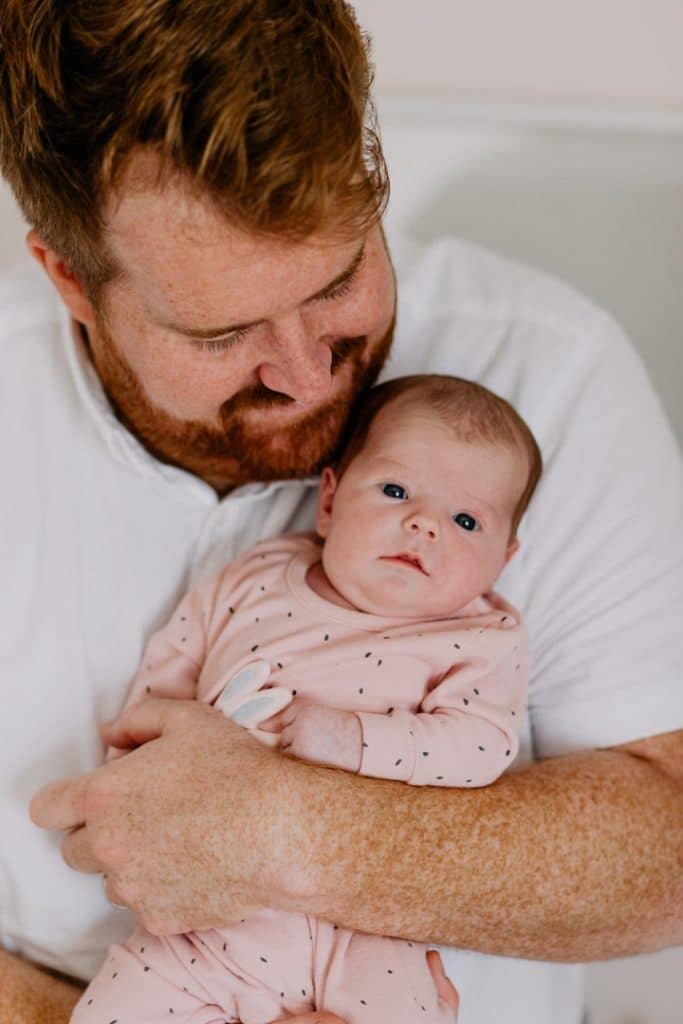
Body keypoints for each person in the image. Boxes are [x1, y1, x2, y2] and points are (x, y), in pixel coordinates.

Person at [0, 3, 681, 1024]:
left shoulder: (549, 374)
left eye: (340, 277)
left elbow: (665, 839)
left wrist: (287, 833)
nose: (309, 372)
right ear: (70, 280)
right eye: (222, 329)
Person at [71, 374, 540, 1024]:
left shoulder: (479, 637)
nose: (422, 524)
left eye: (465, 520)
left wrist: (355, 740)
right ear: (328, 500)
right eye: (396, 490)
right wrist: (133, 780)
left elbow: (479, 745)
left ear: (502, 558)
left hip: (366, 924)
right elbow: (166, 679)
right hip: (202, 917)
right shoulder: (253, 578)